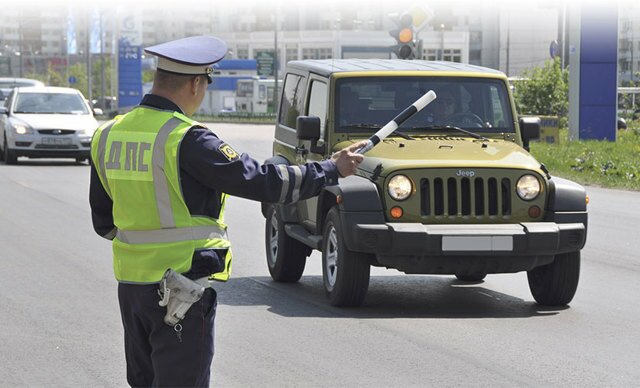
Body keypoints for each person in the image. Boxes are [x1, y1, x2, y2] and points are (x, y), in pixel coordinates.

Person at [88, 35, 366, 387]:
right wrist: (330, 169)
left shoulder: (109, 134)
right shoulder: (186, 139)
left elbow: (104, 221)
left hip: (131, 288)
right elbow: (265, 182)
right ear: (195, 83)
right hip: (180, 289)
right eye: (204, 84)